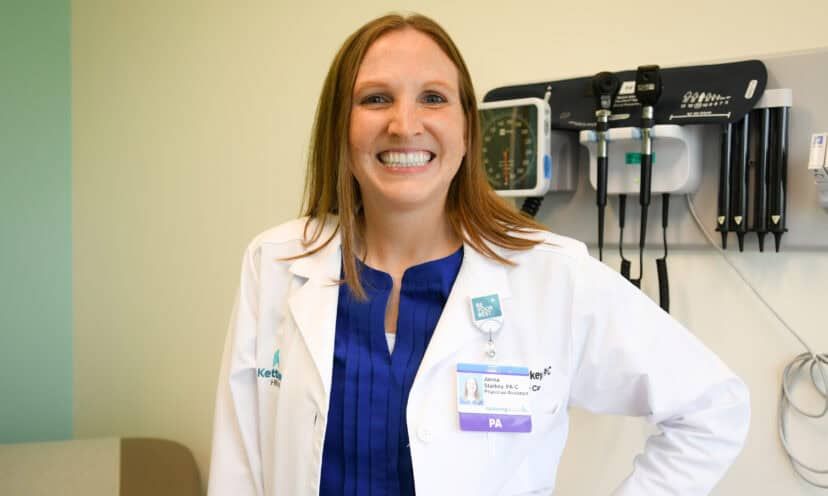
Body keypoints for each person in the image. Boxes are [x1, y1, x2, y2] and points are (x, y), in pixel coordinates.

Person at [207, 12, 750, 496]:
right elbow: (239, 466)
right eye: (375, 98)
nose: (404, 123)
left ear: (468, 130)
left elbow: (713, 408)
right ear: (339, 129)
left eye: (433, 98)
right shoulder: (276, 264)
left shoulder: (551, 275)